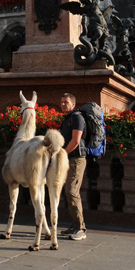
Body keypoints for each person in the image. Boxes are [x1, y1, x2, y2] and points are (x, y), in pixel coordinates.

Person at [60, 93, 87, 241]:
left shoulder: (77, 118)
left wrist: (62, 153)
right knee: (68, 192)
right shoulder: (67, 119)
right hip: (69, 158)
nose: (63, 104)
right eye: (62, 101)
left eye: (66, 102)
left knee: (72, 191)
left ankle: (81, 229)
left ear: (73, 104)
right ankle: (75, 225)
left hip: (77, 159)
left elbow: (76, 140)